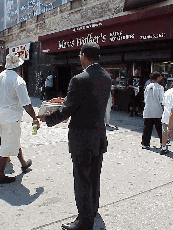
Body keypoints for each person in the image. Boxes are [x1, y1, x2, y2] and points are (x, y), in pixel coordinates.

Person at [39, 42, 111, 230]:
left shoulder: (79, 79)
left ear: (84, 55)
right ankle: (92, 210)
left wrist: (47, 118)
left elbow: (68, 110)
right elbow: (89, 100)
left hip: (82, 139)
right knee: (94, 177)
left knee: (82, 180)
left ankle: (84, 222)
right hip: (98, 137)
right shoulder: (105, 76)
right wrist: (64, 100)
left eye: (80, 55)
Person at [0, 54, 40, 184]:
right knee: (7, 145)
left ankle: (23, 163)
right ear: (18, 66)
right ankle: (0, 175)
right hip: (10, 118)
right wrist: (35, 117)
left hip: (1, 116)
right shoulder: (18, 80)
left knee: (12, 140)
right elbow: (26, 104)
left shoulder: (0, 76)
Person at [141, 72, 164, 149]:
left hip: (148, 110)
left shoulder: (148, 86)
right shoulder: (160, 87)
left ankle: (145, 143)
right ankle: (163, 143)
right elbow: (162, 100)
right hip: (157, 110)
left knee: (147, 128)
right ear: (157, 78)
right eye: (160, 77)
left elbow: (145, 99)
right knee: (160, 129)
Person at [161, 87, 173, 155]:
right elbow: (172, 112)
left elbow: (163, 104)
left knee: (164, 132)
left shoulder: (167, 92)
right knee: (168, 131)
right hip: (171, 117)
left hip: (165, 116)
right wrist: (170, 128)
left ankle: (163, 148)